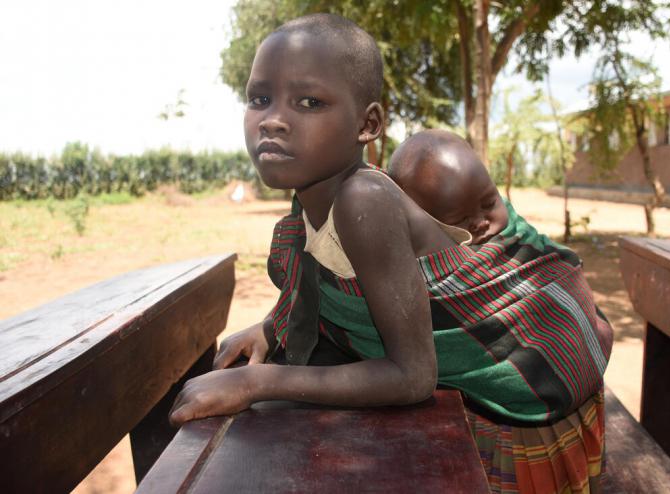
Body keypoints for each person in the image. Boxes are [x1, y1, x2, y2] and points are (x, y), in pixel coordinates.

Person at [169, 13, 612, 493]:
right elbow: (322, 284)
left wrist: (255, 384)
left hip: (522, 393)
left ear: (368, 124)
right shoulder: (310, 200)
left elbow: (413, 376)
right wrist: (269, 328)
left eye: (309, 101)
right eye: (260, 98)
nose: (273, 120)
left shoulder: (364, 200)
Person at [387, 128, 509, 246]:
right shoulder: (423, 262)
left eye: (489, 204)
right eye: (459, 219)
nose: (481, 224)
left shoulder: (524, 238)